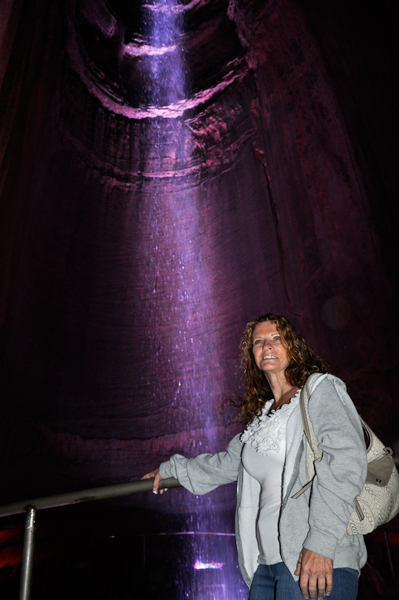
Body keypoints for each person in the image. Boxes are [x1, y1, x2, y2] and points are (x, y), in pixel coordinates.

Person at [142, 313, 367, 600]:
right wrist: (172, 469)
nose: (267, 345)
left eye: (276, 338)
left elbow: (346, 463)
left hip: (313, 558)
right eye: (258, 341)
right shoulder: (262, 417)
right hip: (267, 565)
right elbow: (225, 464)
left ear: (294, 347)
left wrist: (321, 544)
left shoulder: (321, 391)